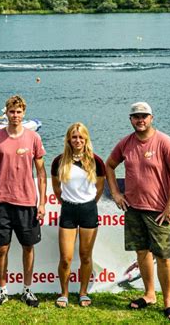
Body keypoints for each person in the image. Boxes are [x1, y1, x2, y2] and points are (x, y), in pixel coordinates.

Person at [105, 101, 170, 322]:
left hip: (158, 211)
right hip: (133, 209)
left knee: (163, 257)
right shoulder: (126, 143)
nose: (140, 120)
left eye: (144, 116)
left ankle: (168, 301)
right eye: (136, 116)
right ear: (130, 119)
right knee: (141, 253)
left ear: (152, 118)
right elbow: (109, 165)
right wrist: (116, 193)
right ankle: (149, 294)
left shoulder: (164, 142)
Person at [0, 95, 46, 308]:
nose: (15, 115)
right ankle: (2, 290)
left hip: (27, 201)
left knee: (28, 247)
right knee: (2, 248)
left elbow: (42, 172)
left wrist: (43, 202)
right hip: (1, 201)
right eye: (11, 111)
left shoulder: (33, 138)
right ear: (6, 113)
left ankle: (27, 290)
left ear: (24, 113)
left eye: (18, 112)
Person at [51, 123, 105, 308]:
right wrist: (67, 202)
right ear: (68, 139)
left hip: (88, 210)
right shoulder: (59, 161)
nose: (78, 140)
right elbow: (57, 188)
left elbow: (99, 189)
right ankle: (64, 293)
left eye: (81, 137)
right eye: (74, 137)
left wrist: (88, 203)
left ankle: (83, 292)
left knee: (85, 256)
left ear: (86, 139)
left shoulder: (96, 161)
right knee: (65, 258)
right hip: (68, 211)